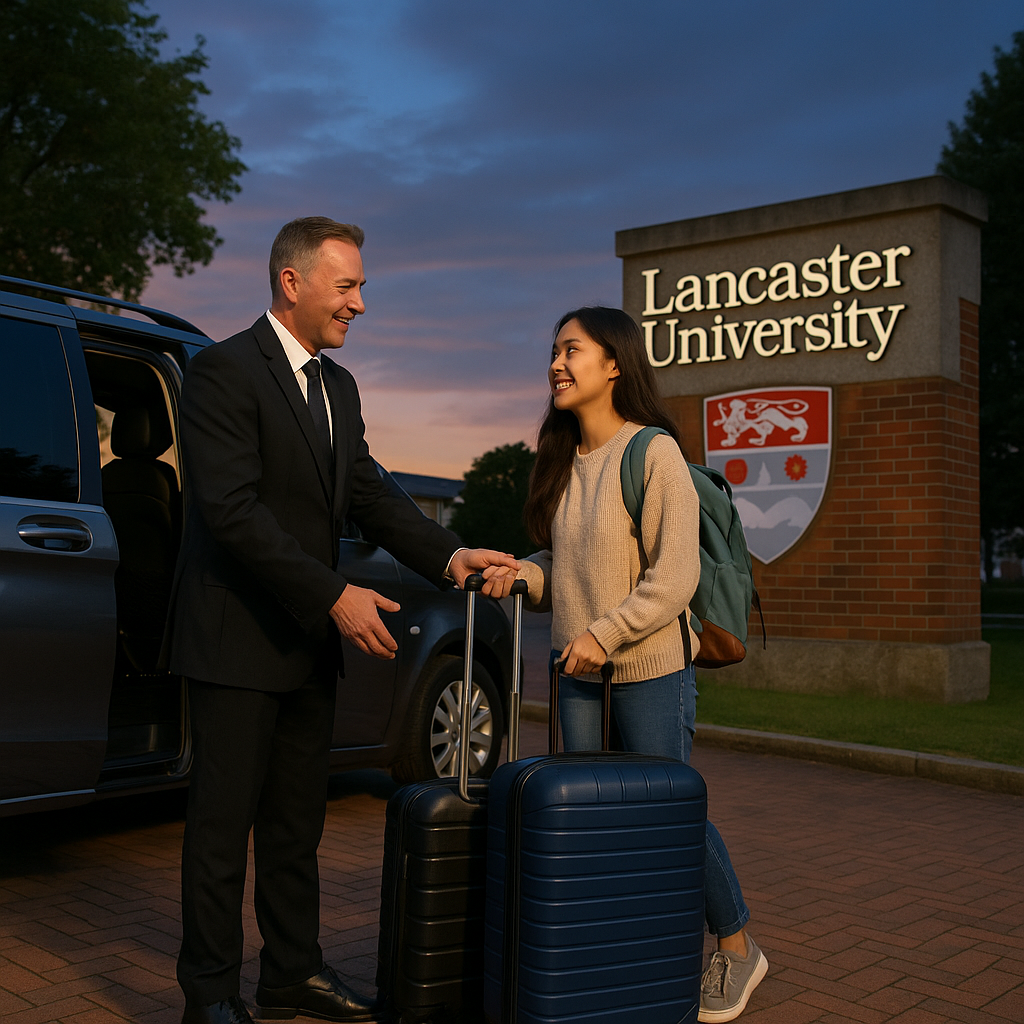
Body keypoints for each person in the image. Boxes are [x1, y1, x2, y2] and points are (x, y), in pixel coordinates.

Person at [164, 217, 519, 1024]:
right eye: (348, 285)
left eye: (361, 286)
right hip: (234, 640)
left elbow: (371, 494)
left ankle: (292, 974)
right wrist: (332, 594)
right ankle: (210, 998)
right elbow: (232, 511)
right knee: (221, 833)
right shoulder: (222, 372)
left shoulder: (340, 388)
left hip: (304, 649)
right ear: (293, 285)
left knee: (296, 827)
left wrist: (451, 557)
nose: (360, 302)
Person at [482, 306, 767, 1023]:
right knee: (595, 828)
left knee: (668, 818)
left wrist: (606, 636)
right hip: (578, 676)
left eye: (572, 349)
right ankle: (612, 958)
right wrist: (524, 574)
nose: (556, 361)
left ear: (614, 364)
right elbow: (573, 564)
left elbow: (672, 578)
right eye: (552, 350)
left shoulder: (653, 453)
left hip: (650, 672)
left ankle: (737, 950)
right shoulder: (563, 459)